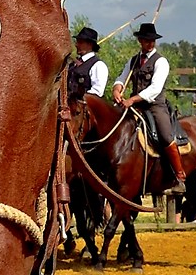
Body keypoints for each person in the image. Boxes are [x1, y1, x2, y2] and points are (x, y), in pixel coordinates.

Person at [117, 21, 184, 181]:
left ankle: (179, 174)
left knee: (165, 135)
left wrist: (132, 99)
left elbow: (155, 88)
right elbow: (122, 77)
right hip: (134, 105)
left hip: (154, 105)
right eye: (147, 40)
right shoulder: (133, 61)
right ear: (140, 40)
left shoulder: (161, 62)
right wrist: (117, 88)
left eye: (152, 40)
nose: (150, 43)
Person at [68, 26, 108, 100]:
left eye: (80, 42)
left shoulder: (98, 65)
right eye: (77, 41)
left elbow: (97, 92)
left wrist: (78, 100)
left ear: (90, 44)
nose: (76, 45)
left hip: (83, 108)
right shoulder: (72, 64)